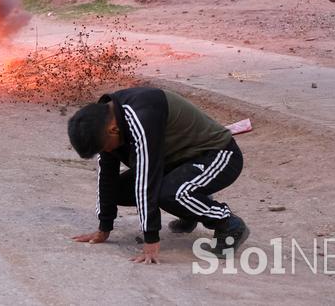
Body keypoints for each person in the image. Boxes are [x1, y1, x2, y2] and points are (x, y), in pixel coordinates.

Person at [68, 87, 248, 264]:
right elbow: (107, 176)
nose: (107, 151)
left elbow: (146, 179)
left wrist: (151, 238)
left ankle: (228, 224)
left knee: (171, 194)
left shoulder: (141, 117)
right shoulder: (104, 122)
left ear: (113, 130)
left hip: (218, 155)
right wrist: (104, 227)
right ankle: (191, 206)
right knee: (118, 190)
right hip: (178, 161)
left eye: (105, 147)